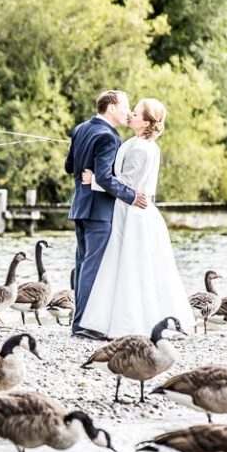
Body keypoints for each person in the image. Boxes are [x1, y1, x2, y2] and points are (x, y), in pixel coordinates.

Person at [77, 98, 195, 338]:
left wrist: (95, 181)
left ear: (147, 122)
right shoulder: (136, 142)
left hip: (133, 211)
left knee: (132, 266)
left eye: (137, 113)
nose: (131, 114)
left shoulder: (142, 148)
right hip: (127, 208)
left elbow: (128, 184)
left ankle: (131, 321)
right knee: (124, 265)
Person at [65, 90, 147, 340]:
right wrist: (131, 196)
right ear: (111, 108)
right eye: (125, 106)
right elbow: (103, 177)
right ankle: (84, 325)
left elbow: (69, 166)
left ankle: (79, 321)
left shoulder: (81, 128)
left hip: (80, 206)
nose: (128, 111)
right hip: (99, 209)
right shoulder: (109, 137)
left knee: (82, 264)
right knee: (93, 267)